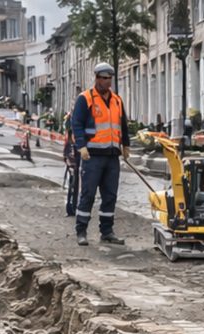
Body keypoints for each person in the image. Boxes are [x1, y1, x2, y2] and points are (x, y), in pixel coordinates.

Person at [69, 62, 129, 246]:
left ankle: (107, 231)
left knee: (110, 195)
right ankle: (81, 231)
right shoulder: (85, 99)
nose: (107, 82)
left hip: (112, 156)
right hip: (92, 156)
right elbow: (76, 124)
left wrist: (125, 145)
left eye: (110, 78)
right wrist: (81, 146)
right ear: (96, 78)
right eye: (104, 78)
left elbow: (123, 125)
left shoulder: (117, 100)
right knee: (88, 194)